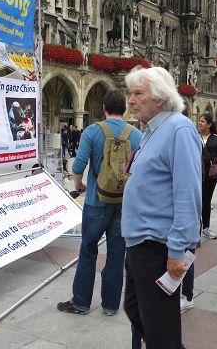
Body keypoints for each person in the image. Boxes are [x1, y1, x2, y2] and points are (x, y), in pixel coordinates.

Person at [122, 67, 201, 349]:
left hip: (158, 246)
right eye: (130, 93)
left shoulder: (179, 129)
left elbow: (188, 193)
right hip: (140, 243)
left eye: (137, 93)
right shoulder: (151, 131)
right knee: (135, 310)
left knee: (160, 331)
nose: (131, 100)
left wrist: (177, 250)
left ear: (160, 97)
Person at [57, 90, 142, 316]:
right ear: (124, 109)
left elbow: (78, 166)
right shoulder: (136, 135)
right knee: (117, 253)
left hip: (96, 200)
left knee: (88, 250)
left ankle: (81, 303)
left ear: (104, 108)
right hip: (123, 203)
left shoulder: (93, 131)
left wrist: (79, 185)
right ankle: (111, 305)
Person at [198, 114, 217, 240]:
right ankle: (196, 227)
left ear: (209, 124)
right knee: (196, 200)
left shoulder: (216, 139)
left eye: (202, 121)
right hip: (196, 173)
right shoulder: (194, 136)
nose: (199, 123)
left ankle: (206, 228)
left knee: (206, 200)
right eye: (199, 121)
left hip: (210, 175)